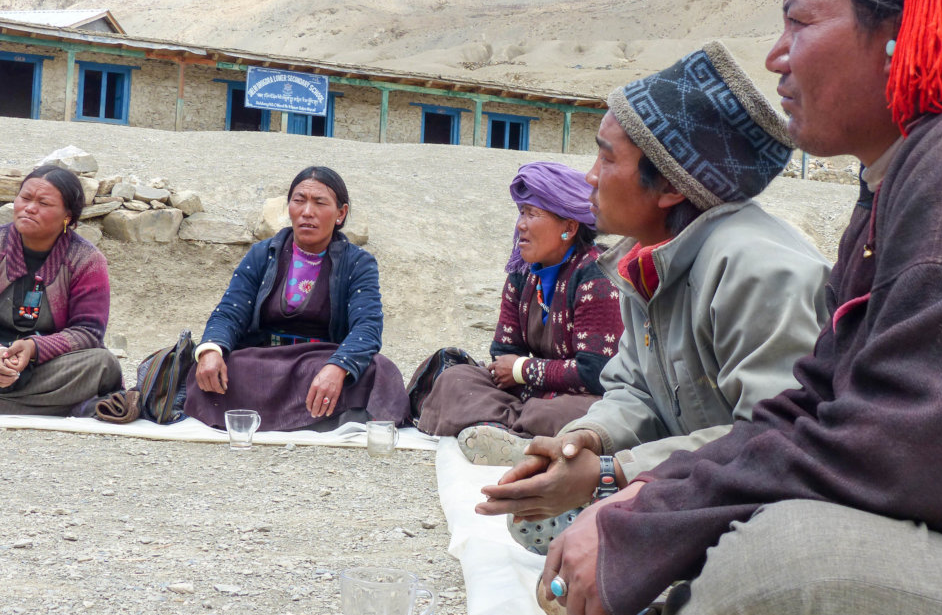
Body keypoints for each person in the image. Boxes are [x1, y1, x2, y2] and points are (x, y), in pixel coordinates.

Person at [541, 0, 942, 615]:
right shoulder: (891, 184)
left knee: (782, 560)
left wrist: (648, 505)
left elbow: (898, 455)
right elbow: (811, 406)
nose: (776, 56)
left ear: (900, 31)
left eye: (799, 22)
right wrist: (645, 494)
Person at [476, 42, 830, 562]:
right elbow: (633, 388)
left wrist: (611, 473)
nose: (590, 177)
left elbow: (773, 441)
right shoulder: (648, 260)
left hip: (774, 505)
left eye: (606, 157)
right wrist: (584, 440)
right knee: (542, 527)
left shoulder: (759, 269)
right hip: (699, 480)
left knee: (593, 557)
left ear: (668, 187)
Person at [415, 162, 624, 457]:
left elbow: (595, 372)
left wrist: (522, 369)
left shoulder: (596, 274)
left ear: (569, 227)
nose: (520, 225)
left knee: (567, 413)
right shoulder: (522, 271)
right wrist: (519, 373)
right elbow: (503, 351)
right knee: (455, 380)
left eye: (532, 214)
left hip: (584, 396)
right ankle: (522, 435)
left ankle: (504, 432)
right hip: (534, 391)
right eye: (521, 213)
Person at [184, 166, 409, 432]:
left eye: (319, 203)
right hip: (263, 363)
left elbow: (367, 327)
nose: (307, 212)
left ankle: (267, 414)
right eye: (299, 201)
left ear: (341, 213)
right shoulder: (262, 254)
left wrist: (338, 367)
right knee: (209, 365)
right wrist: (212, 350)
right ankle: (322, 418)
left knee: (379, 370)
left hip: (321, 362)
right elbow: (230, 312)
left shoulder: (358, 263)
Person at [0, 165, 123, 415]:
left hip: (46, 366)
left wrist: (33, 349)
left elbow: (88, 332)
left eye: (44, 203)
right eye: (25, 198)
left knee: (102, 365)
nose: (30, 208)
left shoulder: (87, 261)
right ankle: (41, 407)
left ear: (67, 217)